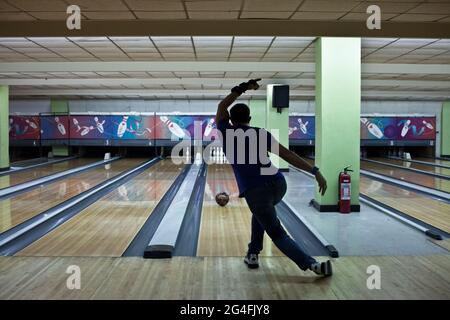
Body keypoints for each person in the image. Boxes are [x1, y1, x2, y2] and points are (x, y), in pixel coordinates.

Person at [215, 78, 332, 276]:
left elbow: (222, 105)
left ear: (231, 120)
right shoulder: (261, 133)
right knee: (261, 213)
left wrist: (243, 87)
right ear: (250, 118)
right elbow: (287, 155)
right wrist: (315, 171)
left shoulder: (226, 132)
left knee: (277, 233)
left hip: (256, 190)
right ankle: (253, 252)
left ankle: (312, 265)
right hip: (278, 184)